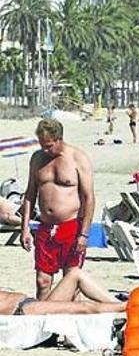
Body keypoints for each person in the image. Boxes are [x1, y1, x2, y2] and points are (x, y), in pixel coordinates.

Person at [21, 119, 95, 301]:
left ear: (59, 139)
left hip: (71, 226)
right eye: (41, 145)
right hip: (45, 227)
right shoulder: (37, 159)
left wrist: (84, 234)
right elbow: (30, 194)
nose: (45, 150)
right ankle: (42, 323)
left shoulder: (78, 158)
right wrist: (25, 229)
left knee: (71, 282)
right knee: (42, 281)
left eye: (48, 146)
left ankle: (68, 329)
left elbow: (89, 198)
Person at [0, 268, 124, 316]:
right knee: (84, 307)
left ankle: (120, 306)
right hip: (26, 313)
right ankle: (131, 307)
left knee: (76, 273)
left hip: (32, 305)